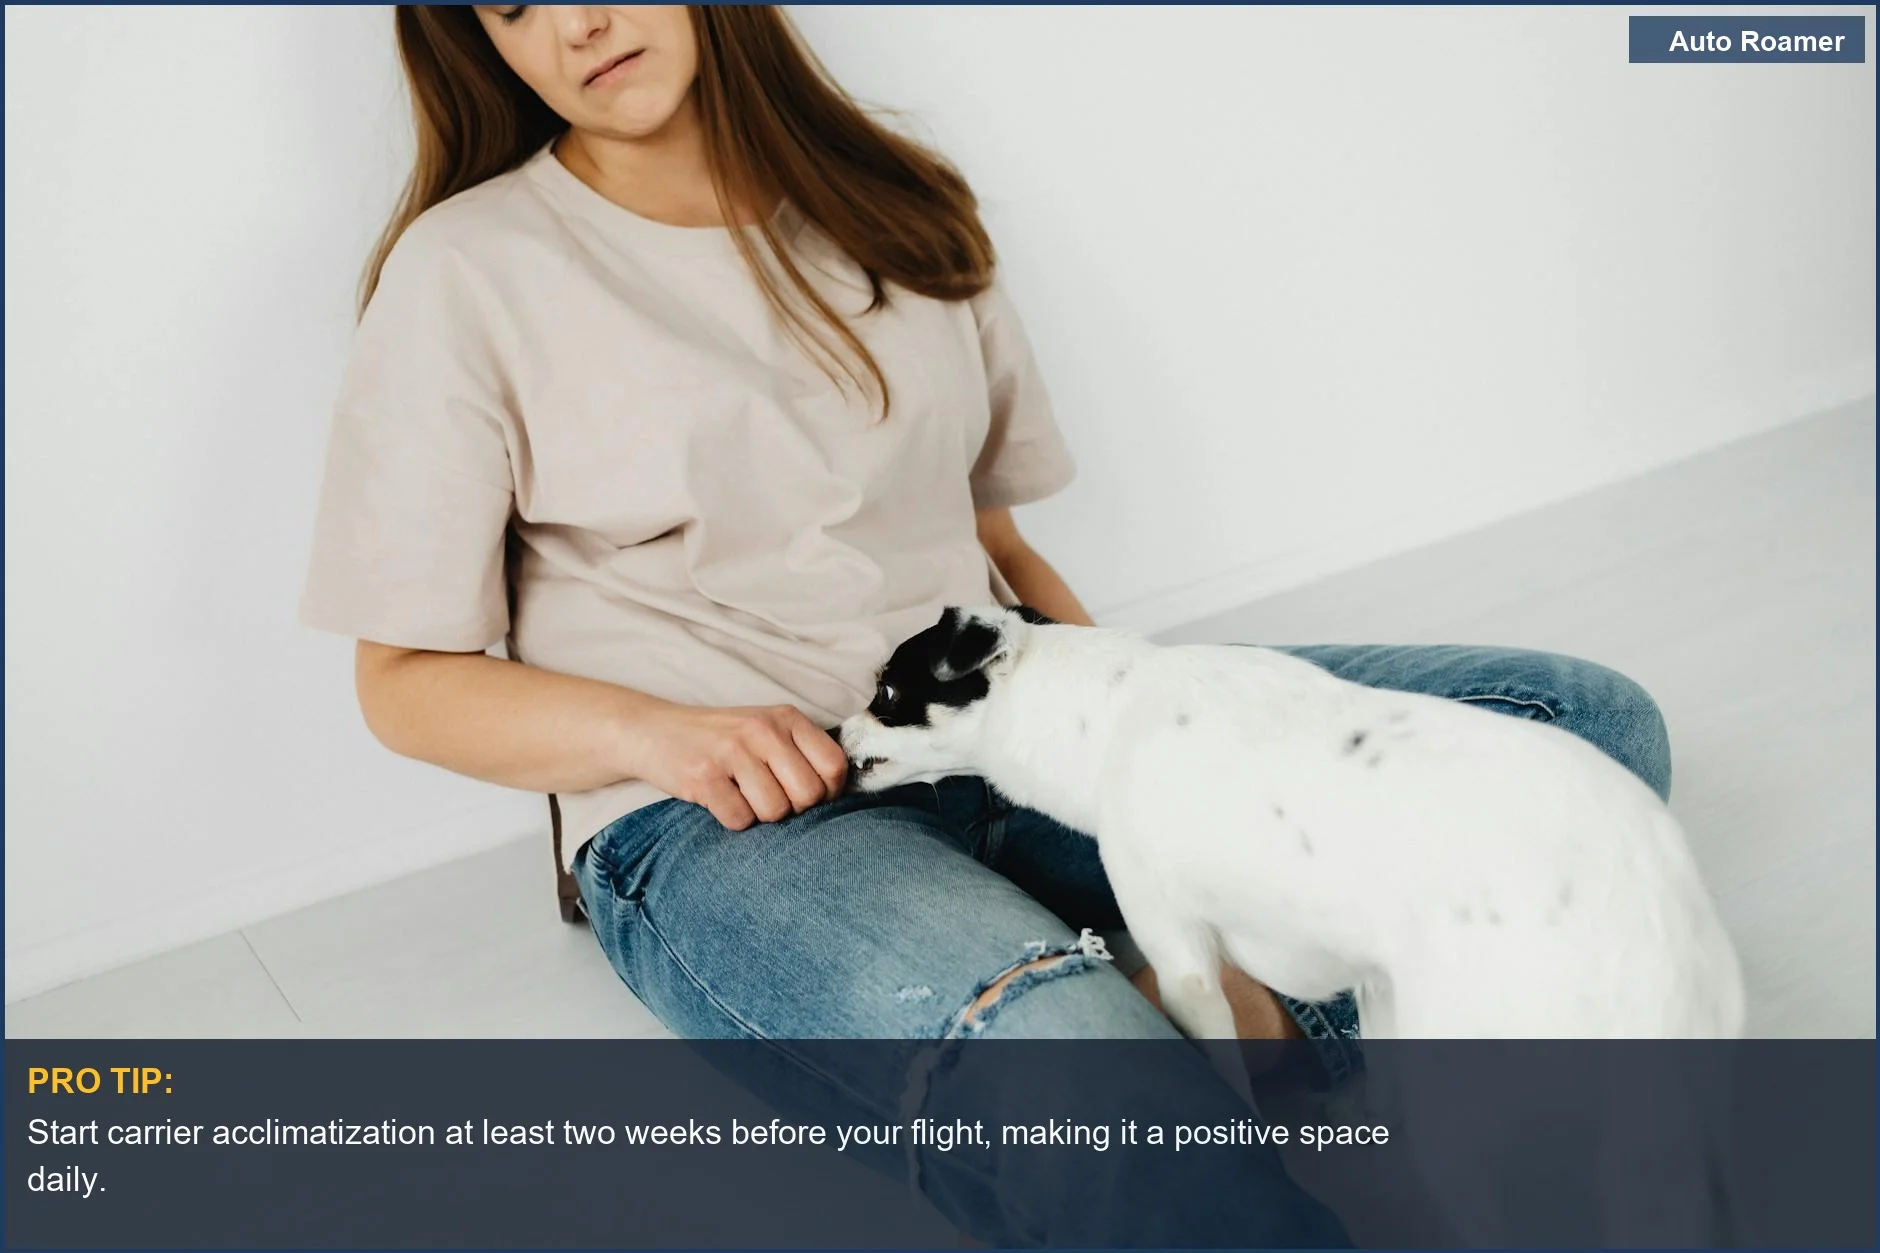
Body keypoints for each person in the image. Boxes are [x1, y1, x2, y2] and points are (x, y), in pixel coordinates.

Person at [300, 6, 1673, 1245]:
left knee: (1572, 729)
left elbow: (997, 541)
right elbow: (404, 680)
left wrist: (1165, 745)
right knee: (1076, 1062)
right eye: (513, 4)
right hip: (734, 822)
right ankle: (1167, 1024)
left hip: (1012, 721)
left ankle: (1215, 997)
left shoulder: (895, 196)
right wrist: (659, 732)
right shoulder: (468, 269)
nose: (577, 24)